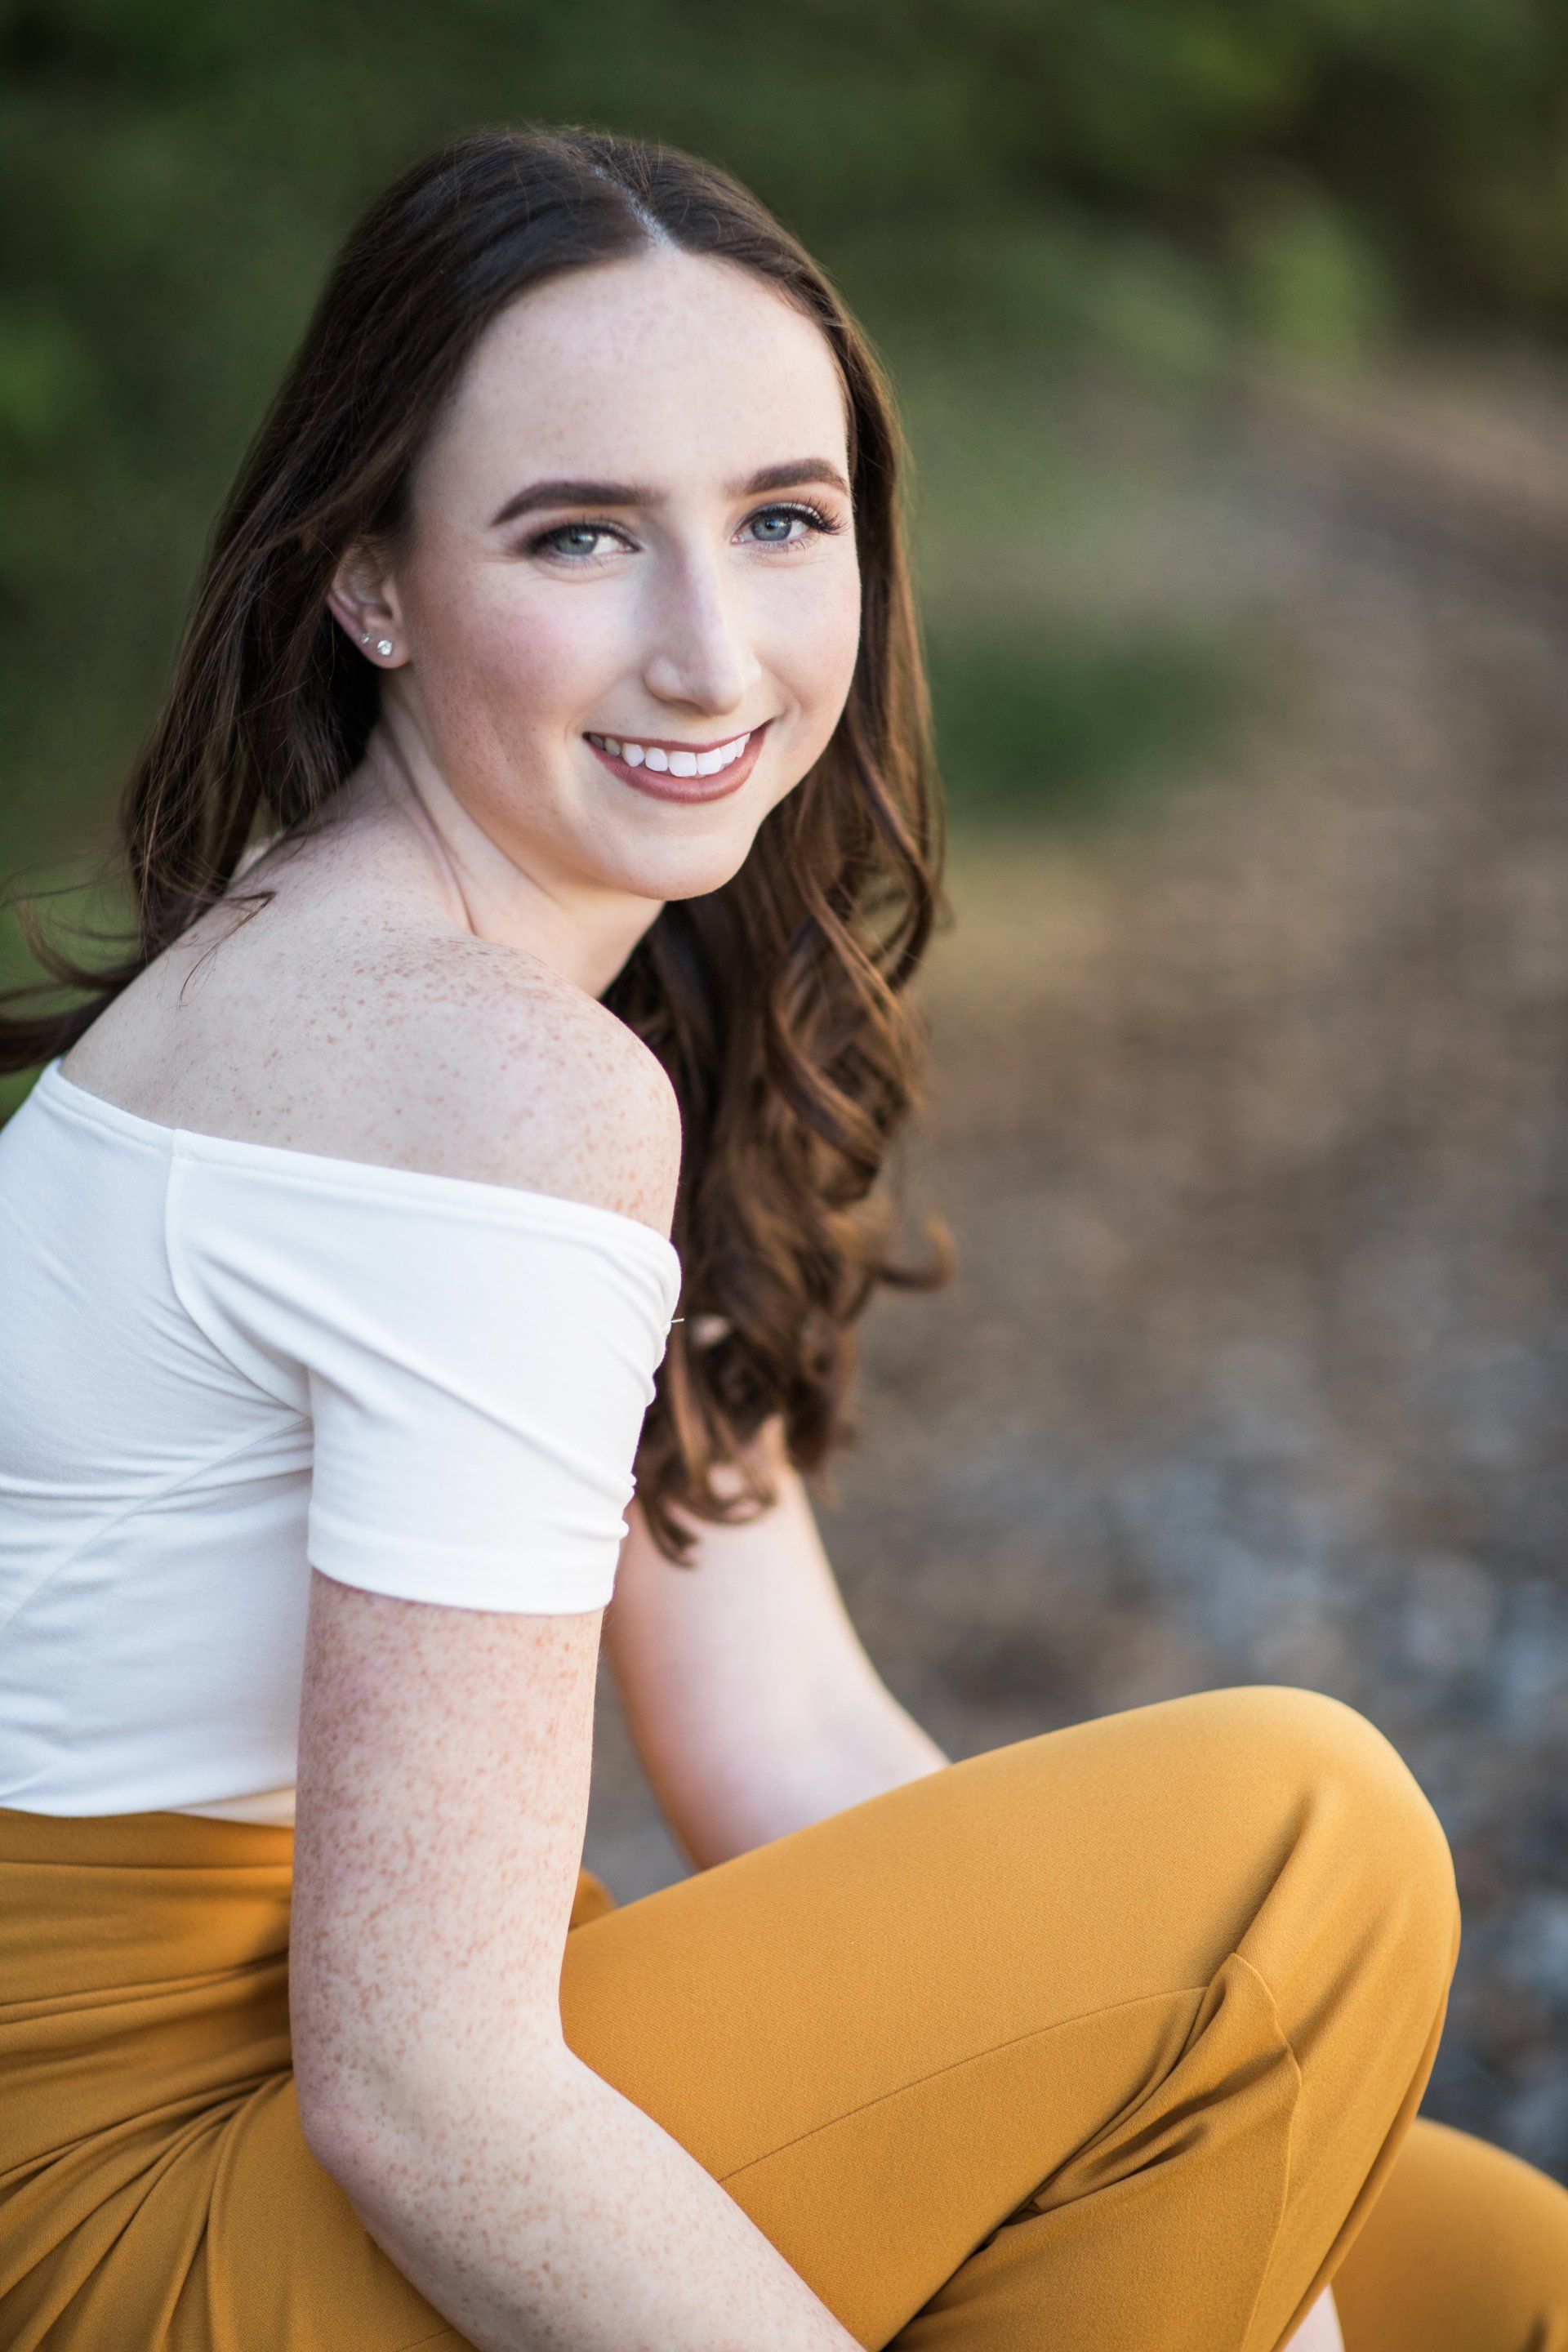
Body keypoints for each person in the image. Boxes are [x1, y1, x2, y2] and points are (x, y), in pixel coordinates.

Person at [0, 123, 1562, 2352]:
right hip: (133, 2213)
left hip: (309, 2115)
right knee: (1302, 1840)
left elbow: (786, 1735)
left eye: (780, 521)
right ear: (371, 580)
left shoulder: (482, 998)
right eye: (580, 536)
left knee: (1481, 2265)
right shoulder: (476, 1079)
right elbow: (421, 2092)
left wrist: (1228, 2158)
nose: (712, 650)